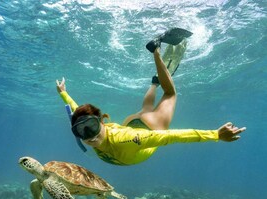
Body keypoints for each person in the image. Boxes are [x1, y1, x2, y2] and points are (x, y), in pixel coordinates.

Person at [55, 40, 246, 166]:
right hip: (133, 123)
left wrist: (215, 135)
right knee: (148, 107)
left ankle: (156, 52)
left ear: (101, 122)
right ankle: (154, 83)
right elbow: (75, 110)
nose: (90, 137)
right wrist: (64, 93)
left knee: (170, 94)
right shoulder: (91, 128)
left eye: (91, 126)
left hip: (146, 127)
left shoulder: (128, 140)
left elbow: (172, 136)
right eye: (81, 130)